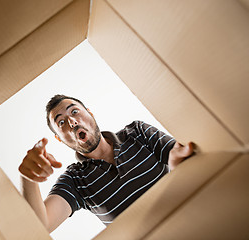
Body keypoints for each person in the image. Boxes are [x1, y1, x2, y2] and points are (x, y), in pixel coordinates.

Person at [19, 94, 194, 233]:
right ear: (59, 139)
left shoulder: (137, 132)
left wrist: (178, 165)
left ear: (90, 113)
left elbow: (177, 153)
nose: (72, 122)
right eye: (61, 122)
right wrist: (28, 178)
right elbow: (42, 226)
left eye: (74, 112)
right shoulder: (75, 180)